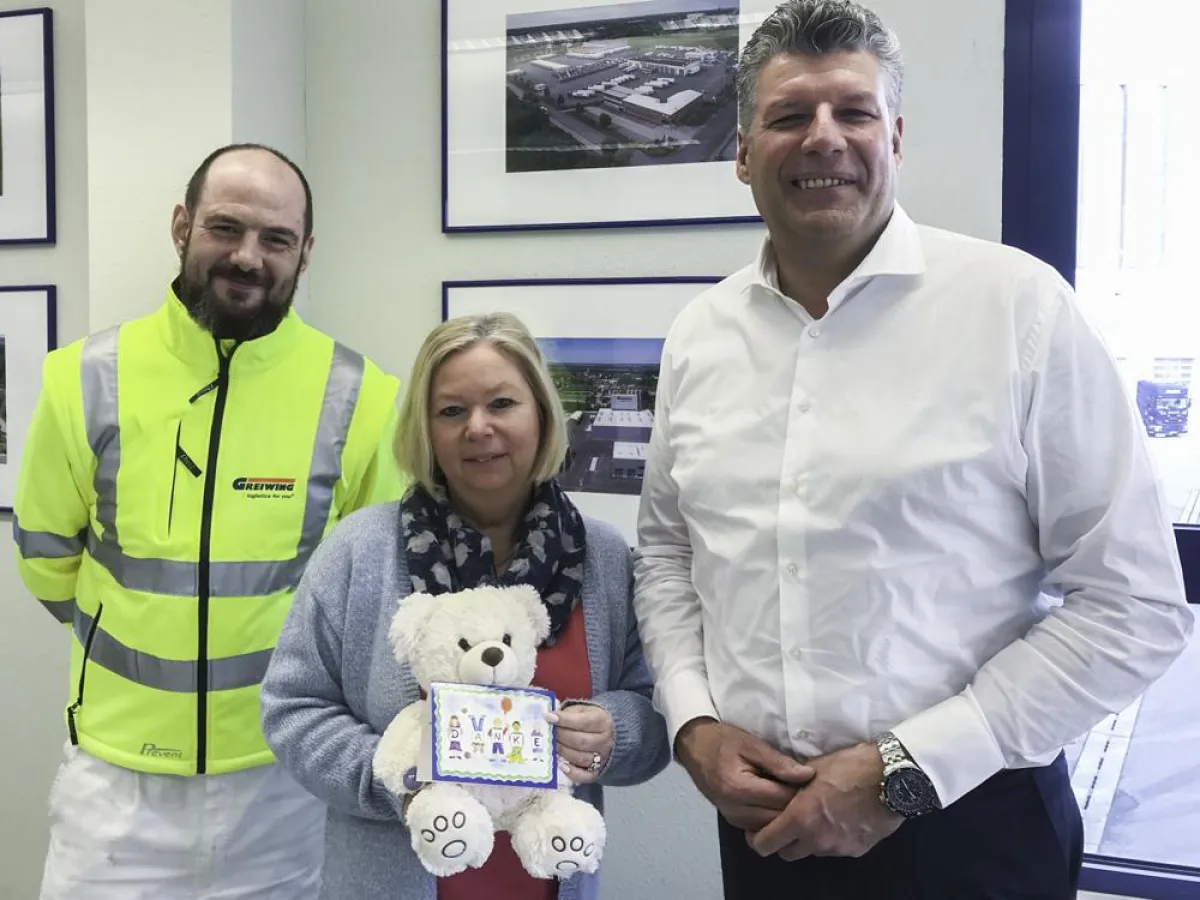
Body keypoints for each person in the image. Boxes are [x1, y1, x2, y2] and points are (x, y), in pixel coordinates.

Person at [632, 2, 1195, 898]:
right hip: (766, 833)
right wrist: (693, 721)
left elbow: (1136, 603)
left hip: (972, 830)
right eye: (788, 117)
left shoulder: (1018, 309)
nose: (823, 138)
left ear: (896, 137)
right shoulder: (699, 336)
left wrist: (905, 770)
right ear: (743, 154)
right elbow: (668, 553)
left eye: (852, 112)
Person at [13, 143, 405, 899]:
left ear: (306, 252)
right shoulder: (83, 378)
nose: (248, 257)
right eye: (226, 228)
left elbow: (367, 601)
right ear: (182, 226)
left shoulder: (364, 396)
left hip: (283, 784)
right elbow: (46, 558)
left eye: (276, 239)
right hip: (115, 785)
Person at [259, 312, 670, 900]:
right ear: (425, 429)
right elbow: (291, 706)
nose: (478, 428)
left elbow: (653, 707)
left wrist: (613, 735)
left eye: (501, 403)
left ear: (543, 414)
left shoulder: (602, 558)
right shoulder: (359, 551)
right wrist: (401, 781)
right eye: (452, 411)